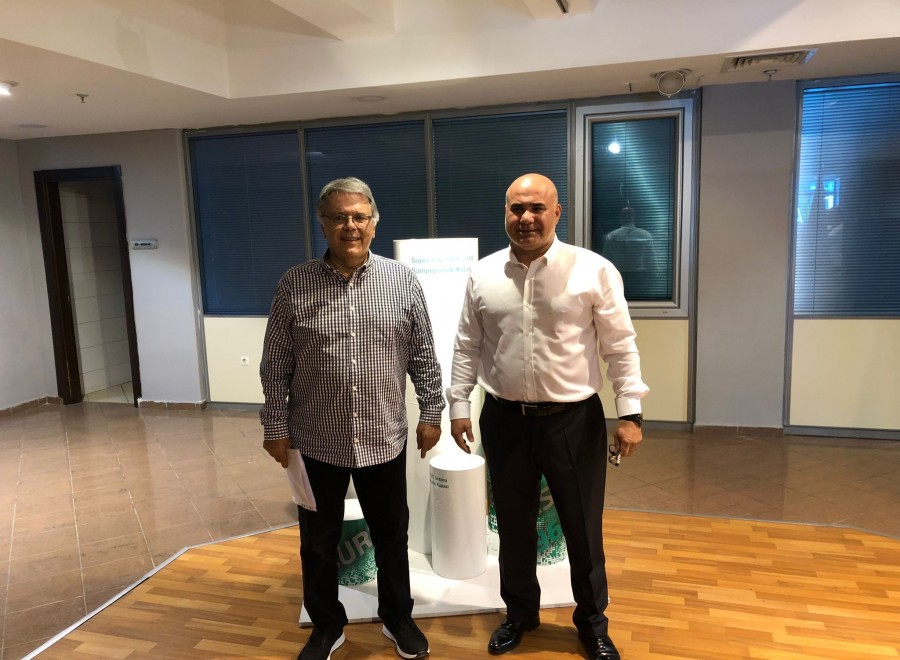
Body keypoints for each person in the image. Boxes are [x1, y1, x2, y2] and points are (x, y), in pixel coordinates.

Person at [448, 173, 648, 660]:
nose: (526, 218)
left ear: (557, 213)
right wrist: (458, 405)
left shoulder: (593, 270)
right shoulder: (483, 274)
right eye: (517, 208)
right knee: (513, 526)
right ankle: (520, 615)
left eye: (537, 208)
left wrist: (630, 413)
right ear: (505, 212)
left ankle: (592, 625)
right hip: (504, 419)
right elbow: (467, 344)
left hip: (573, 422)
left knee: (582, 528)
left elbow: (620, 346)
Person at [260, 177, 444, 660]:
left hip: (384, 437)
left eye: (359, 216)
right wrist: (275, 426)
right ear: (322, 224)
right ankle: (326, 625)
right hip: (315, 440)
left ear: (374, 223)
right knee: (317, 542)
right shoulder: (294, 284)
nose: (350, 226)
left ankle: (397, 617)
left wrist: (432, 411)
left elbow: (423, 354)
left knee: (392, 536)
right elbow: (275, 364)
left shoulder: (402, 281)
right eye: (338, 217)